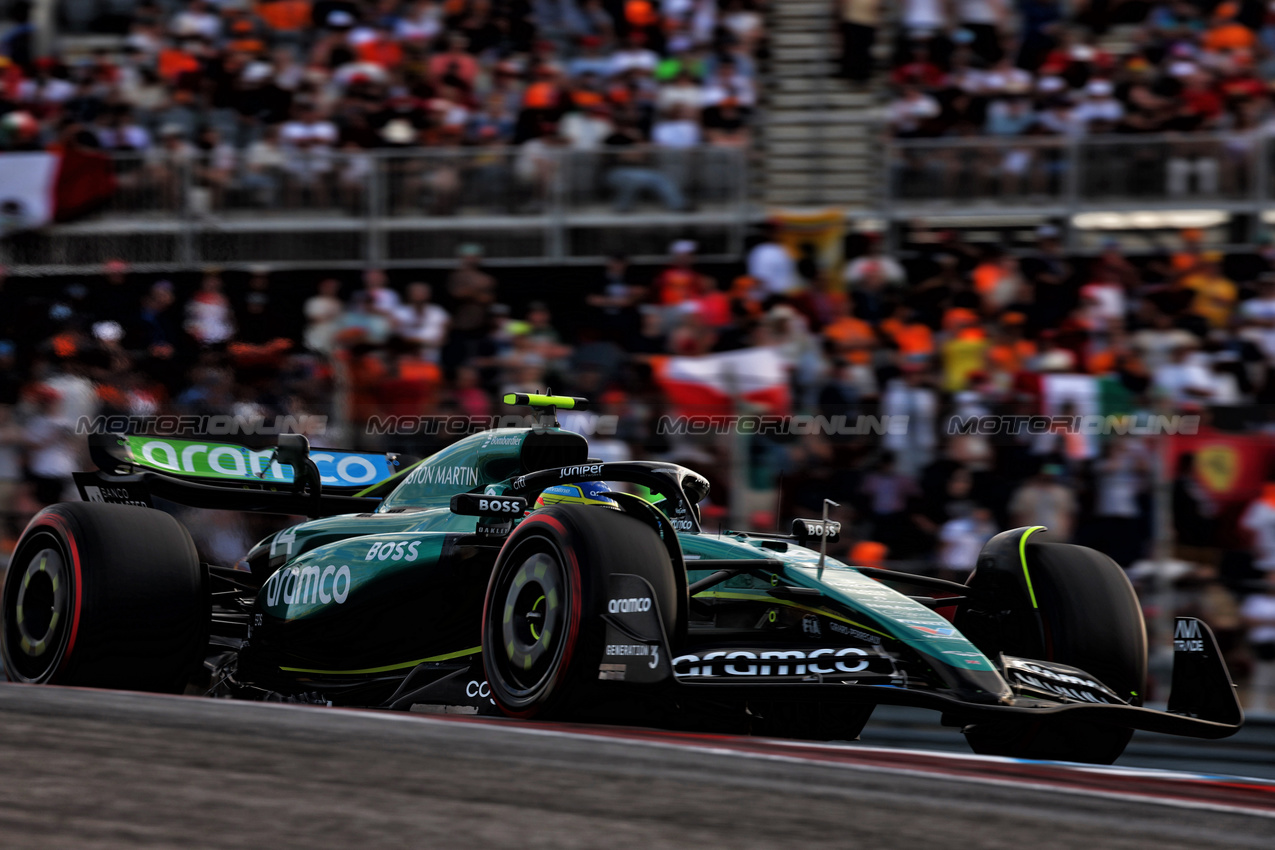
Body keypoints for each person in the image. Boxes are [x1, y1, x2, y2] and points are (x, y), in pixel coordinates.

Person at [1242, 571, 1275, 712]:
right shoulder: (1255, 600)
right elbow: (1247, 620)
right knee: (1261, 677)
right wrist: (1269, 621)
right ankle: (1258, 709)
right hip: (1261, 645)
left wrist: (1262, 621)